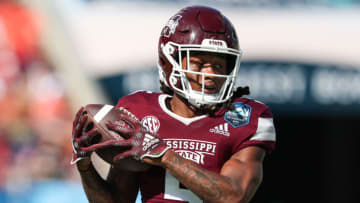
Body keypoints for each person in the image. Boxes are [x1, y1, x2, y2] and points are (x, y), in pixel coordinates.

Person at [71, 5, 276, 203]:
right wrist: (85, 165)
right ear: (169, 61)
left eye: (218, 65)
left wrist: (163, 155)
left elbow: (234, 196)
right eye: (199, 63)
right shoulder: (139, 110)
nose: (211, 74)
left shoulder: (244, 117)